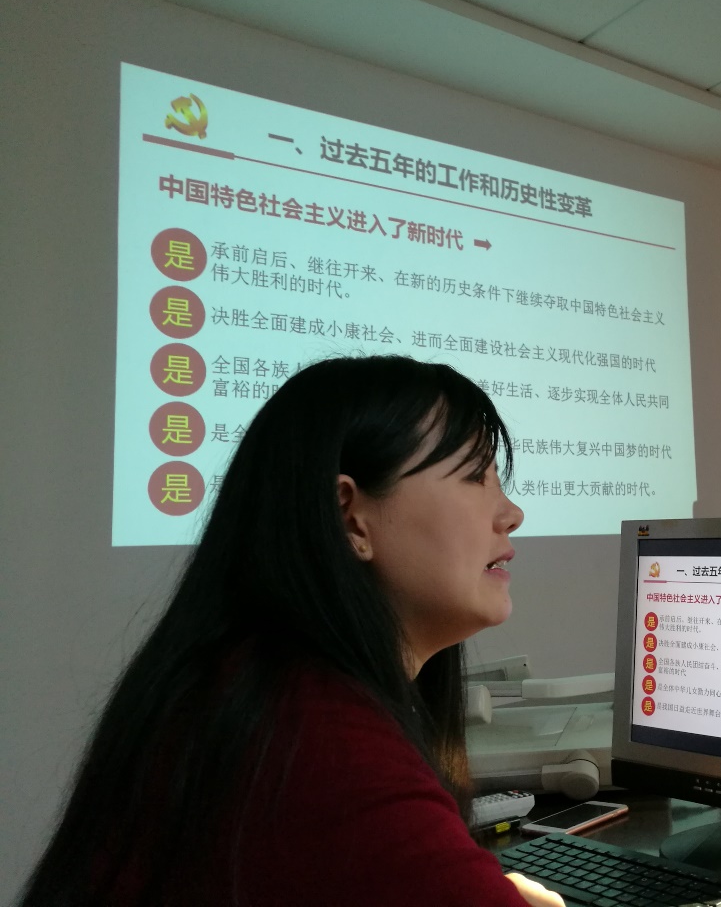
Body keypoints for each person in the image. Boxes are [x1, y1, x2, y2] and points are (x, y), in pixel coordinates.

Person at [20, 356, 564, 907]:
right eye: (474, 475)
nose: (511, 513)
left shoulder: (248, 685)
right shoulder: (320, 742)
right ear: (350, 517)